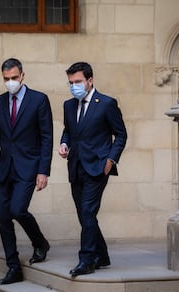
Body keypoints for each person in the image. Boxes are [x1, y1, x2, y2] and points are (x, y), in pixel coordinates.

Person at [0, 58, 53, 285]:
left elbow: (46, 138)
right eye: (6, 79)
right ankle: (14, 267)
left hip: (29, 167)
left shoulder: (39, 100)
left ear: (22, 76)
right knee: (3, 217)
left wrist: (43, 171)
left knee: (17, 209)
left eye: (14, 78)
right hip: (4, 169)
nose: (10, 82)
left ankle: (40, 242)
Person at [58, 62, 127, 277]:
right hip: (75, 165)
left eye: (77, 82)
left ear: (90, 80)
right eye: (70, 83)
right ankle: (102, 255)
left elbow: (121, 135)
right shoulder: (68, 105)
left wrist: (110, 161)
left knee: (88, 211)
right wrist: (63, 143)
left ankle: (86, 260)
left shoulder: (106, 103)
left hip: (98, 167)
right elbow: (68, 131)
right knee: (83, 213)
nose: (74, 86)